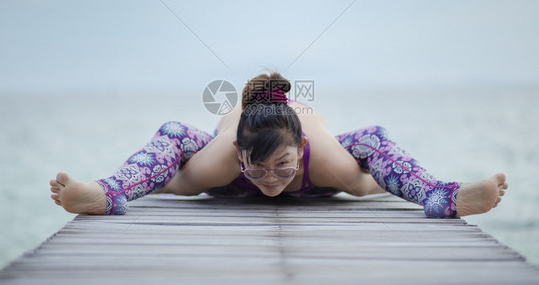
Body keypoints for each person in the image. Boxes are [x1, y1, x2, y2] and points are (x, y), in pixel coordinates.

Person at [50, 72, 508, 218]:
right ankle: (107, 191)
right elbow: (181, 183)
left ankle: (442, 195)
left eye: (282, 165)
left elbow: (369, 186)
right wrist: (133, 189)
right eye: (260, 167)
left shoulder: (323, 154)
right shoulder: (226, 152)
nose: (271, 178)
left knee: (373, 141)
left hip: (319, 183)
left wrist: (415, 190)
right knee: (173, 134)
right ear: (239, 155)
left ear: (302, 148)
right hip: (229, 184)